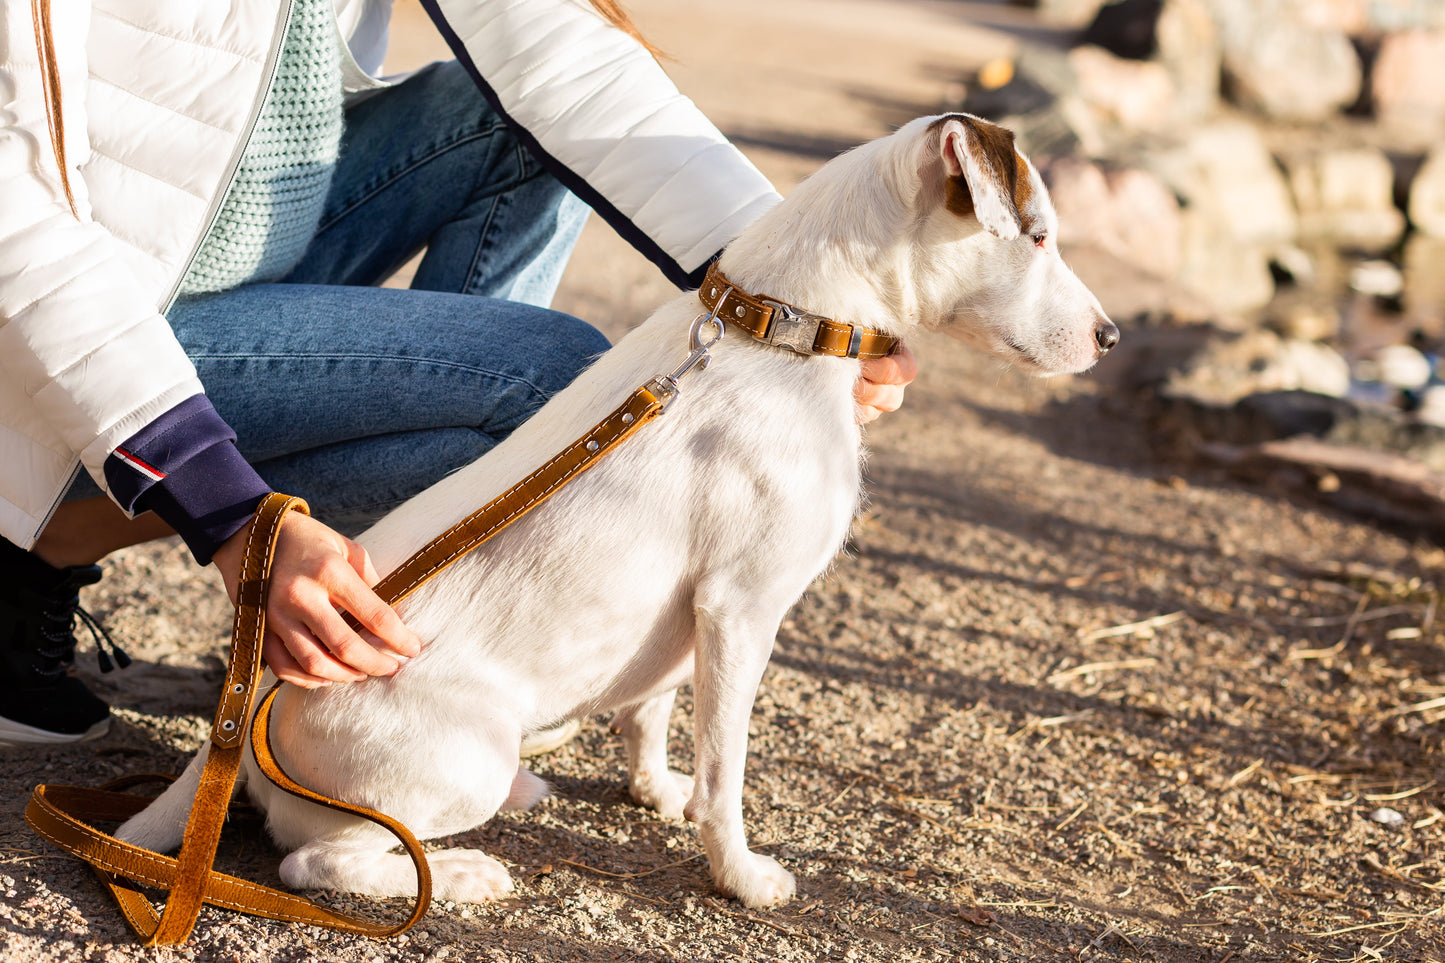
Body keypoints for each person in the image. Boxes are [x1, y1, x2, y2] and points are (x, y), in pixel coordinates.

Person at [0, 0, 917, 747]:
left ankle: (424, 618)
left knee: (508, 123)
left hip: (212, 259)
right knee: (553, 385)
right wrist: (230, 511)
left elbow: (569, 64)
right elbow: (16, 227)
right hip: (48, 327)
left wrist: (796, 302)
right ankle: (32, 548)